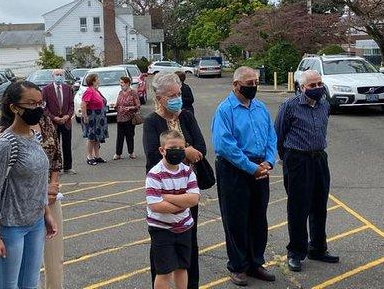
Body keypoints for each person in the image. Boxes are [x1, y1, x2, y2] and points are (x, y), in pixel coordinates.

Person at [0, 81, 58, 289]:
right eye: (31, 104)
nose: (38, 109)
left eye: (40, 103)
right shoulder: (7, 143)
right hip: (11, 227)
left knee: (30, 284)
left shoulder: (34, 137)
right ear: (14, 107)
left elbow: (39, 181)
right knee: (8, 286)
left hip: (35, 223)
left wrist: (46, 214)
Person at [211, 66, 277, 286]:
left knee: (259, 217)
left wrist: (268, 160)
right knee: (236, 219)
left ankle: (256, 263)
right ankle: (238, 266)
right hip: (234, 169)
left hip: (260, 167)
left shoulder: (260, 108)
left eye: (256, 82)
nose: (254, 87)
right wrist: (250, 167)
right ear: (236, 85)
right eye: (249, 83)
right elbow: (225, 145)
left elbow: (271, 136)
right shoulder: (225, 110)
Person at [143, 72, 206, 289]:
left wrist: (186, 150)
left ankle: (191, 285)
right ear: (160, 98)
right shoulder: (152, 121)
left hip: (187, 186)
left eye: (178, 93)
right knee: (161, 250)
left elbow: (201, 150)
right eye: (172, 95)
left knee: (188, 244)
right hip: (163, 191)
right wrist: (187, 151)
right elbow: (152, 156)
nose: (177, 98)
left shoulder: (186, 116)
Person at [275, 70, 340, 272]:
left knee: (319, 205)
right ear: (302, 88)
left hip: (319, 158)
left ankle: (318, 248)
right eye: (312, 86)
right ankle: (296, 252)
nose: (317, 88)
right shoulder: (290, 106)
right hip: (297, 160)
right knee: (298, 208)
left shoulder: (324, 104)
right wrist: (286, 159)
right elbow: (278, 134)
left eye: (319, 83)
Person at [146, 130, 200, 289]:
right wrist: (183, 201)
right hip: (162, 230)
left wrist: (166, 196)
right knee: (164, 271)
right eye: (172, 147)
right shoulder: (155, 175)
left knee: (182, 267)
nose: (177, 151)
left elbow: (194, 199)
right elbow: (156, 205)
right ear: (162, 150)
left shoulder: (187, 171)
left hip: (184, 228)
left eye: (181, 148)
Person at [42, 69, 76, 174]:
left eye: (61, 75)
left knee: (67, 145)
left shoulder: (68, 88)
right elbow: (44, 107)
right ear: (53, 76)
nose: (59, 76)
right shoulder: (46, 89)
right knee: (54, 146)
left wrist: (67, 116)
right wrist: (53, 118)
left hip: (66, 122)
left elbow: (71, 105)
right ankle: (55, 168)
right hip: (53, 123)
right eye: (57, 74)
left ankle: (68, 167)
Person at [81, 73, 109, 165]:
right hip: (92, 117)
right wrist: (85, 116)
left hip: (99, 117)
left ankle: (97, 156)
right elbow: (83, 104)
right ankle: (89, 156)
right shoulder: (89, 91)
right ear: (93, 81)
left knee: (97, 137)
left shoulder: (96, 90)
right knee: (91, 137)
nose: (99, 80)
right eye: (97, 78)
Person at [113, 76, 141, 160]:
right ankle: (118, 154)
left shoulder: (133, 93)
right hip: (120, 117)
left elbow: (138, 105)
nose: (120, 84)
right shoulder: (120, 92)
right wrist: (114, 106)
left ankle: (131, 152)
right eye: (120, 83)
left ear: (127, 83)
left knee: (129, 135)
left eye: (122, 82)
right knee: (119, 136)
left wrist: (130, 108)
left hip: (130, 117)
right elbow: (118, 104)